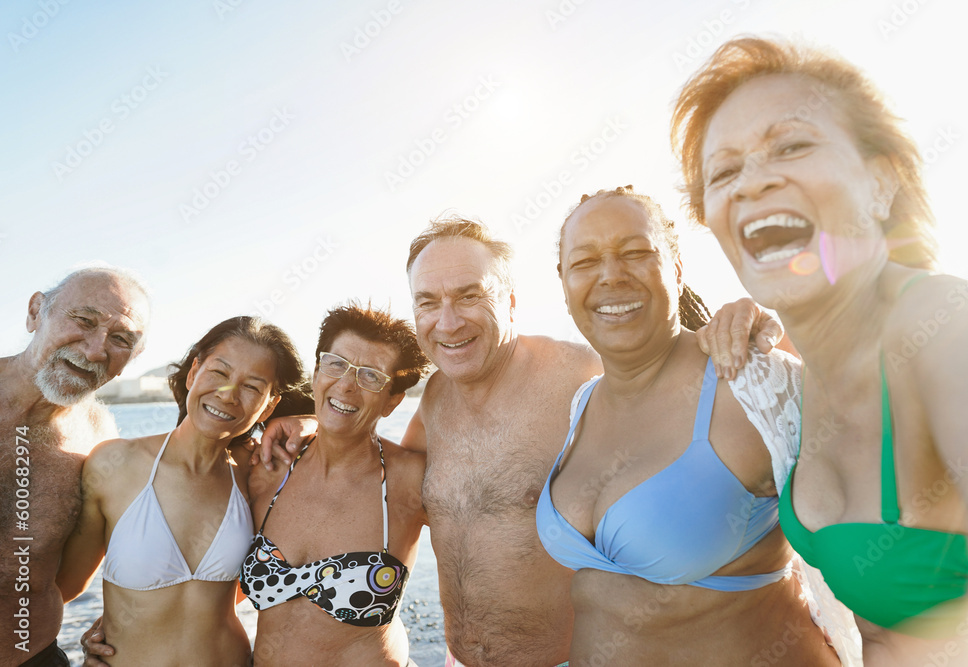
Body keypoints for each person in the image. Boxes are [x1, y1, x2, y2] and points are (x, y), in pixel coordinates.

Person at [246, 218, 782, 667]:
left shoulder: (582, 373)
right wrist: (313, 425)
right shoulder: (435, 398)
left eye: (469, 296)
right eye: (428, 302)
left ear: (511, 301)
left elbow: (672, 365)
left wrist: (733, 322)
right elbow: (382, 471)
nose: (448, 321)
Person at [671, 36, 968, 664]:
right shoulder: (797, 365)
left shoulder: (951, 331)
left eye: (792, 145)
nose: (753, 182)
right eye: (724, 172)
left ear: (881, 183)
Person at [535, 185, 844, 665]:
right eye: (584, 262)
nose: (610, 276)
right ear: (563, 281)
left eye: (636, 253)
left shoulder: (751, 382)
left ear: (676, 269)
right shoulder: (583, 404)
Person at [57, 316, 307, 665]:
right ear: (193, 373)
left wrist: (307, 421)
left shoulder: (257, 478)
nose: (229, 395)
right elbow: (63, 587)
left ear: (268, 405)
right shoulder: (114, 464)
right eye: (219, 373)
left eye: (252, 386)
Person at [241, 303, 430, 666]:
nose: (345, 384)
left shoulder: (411, 480)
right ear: (316, 373)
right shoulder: (269, 468)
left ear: (392, 400)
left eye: (371, 376)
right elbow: (209, 575)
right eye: (336, 363)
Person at [0, 266, 149, 666]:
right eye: (83, 321)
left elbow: (75, 576)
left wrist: (115, 627)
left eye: (120, 339)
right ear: (35, 313)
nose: (96, 350)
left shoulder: (100, 441)